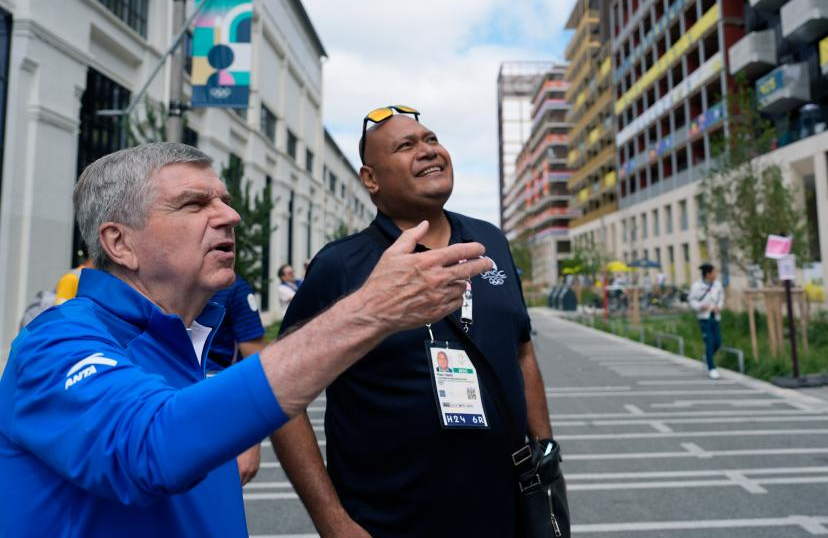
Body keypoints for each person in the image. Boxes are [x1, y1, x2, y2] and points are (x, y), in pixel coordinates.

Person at [0, 142, 493, 536]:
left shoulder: (190, 343)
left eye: (225, 201)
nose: (230, 216)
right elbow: (150, 446)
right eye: (194, 204)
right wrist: (370, 311)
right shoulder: (56, 343)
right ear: (119, 243)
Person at [271, 106, 556, 538]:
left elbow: (522, 351)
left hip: (506, 511)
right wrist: (333, 524)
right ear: (371, 179)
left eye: (431, 139)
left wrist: (546, 450)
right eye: (406, 146)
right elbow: (279, 395)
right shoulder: (342, 265)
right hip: (390, 520)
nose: (428, 151)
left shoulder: (489, 239)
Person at [206, 275, 268, 485]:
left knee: (216, 508)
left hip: (218, 407)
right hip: (163, 410)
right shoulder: (151, 281)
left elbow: (257, 367)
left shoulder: (232, 288)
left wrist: (251, 441)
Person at [689, 262, 724, 379]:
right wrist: (700, 306)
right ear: (708, 274)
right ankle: (711, 368)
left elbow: (721, 298)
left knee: (717, 342)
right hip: (704, 317)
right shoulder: (697, 286)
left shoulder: (717, 285)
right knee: (709, 342)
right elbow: (692, 300)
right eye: (714, 272)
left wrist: (719, 306)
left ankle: (707, 357)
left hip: (715, 316)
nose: (715, 274)